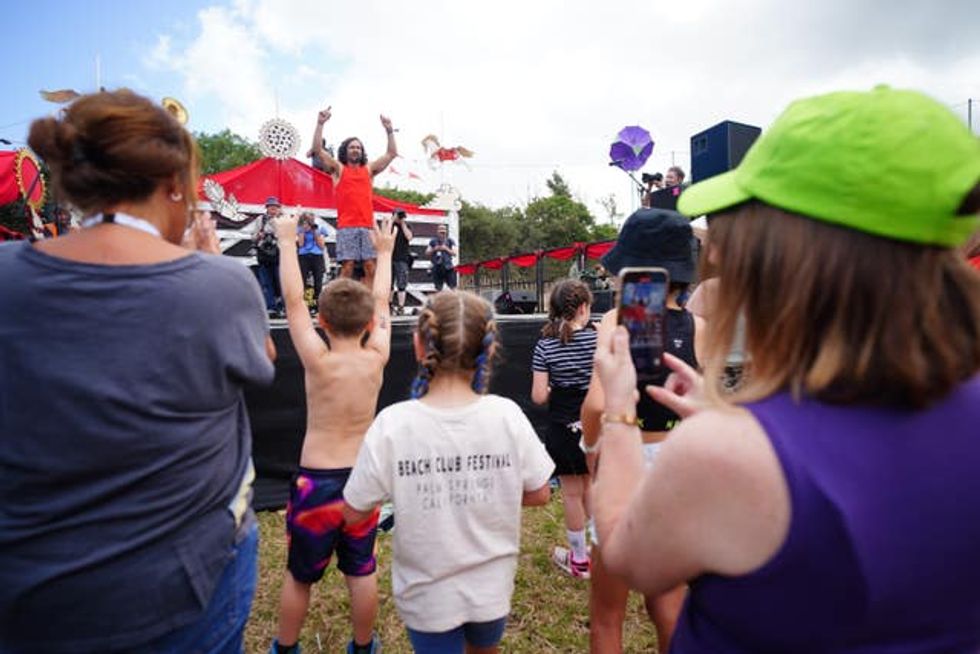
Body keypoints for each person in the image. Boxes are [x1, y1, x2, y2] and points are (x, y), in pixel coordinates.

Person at [591, 86, 980, 653]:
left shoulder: (726, 455)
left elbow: (631, 556)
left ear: (788, 255)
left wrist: (623, 406)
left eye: (738, 229)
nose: (720, 254)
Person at [0, 89, 276, 652]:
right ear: (175, 182)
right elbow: (261, 362)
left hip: (27, 594)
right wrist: (212, 262)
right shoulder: (218, 285)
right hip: (180, 592)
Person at [343, 291, 555, 654]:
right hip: (492, 591)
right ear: (489, 349)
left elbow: (353, 511)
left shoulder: (393, 425)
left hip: (428, 599)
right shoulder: (507, 415)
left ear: (417, 345)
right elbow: (540, 492)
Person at [579, 208, 705, 654]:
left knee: (608, 617)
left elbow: (596, 402)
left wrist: (592, 446)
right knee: (669, 606)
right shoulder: (702, 328)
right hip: (678, 470)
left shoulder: (618, 321)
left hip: (626, 460)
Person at [269, 212, 396, 654]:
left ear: (322, 321)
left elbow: (292, 304)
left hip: (316, 484)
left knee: (299, 575)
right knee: (361, 570)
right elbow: (381, 304)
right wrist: (384, 253)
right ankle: (364, 646)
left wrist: (287, 243)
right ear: (367, 326)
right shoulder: (377, 354)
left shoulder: (317, 360)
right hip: (362, 482)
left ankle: (285, 647)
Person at [531, 279, 597, 579]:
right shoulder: (598, 339)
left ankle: (580, 560)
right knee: (593, 488)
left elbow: (539, 396)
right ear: (583, 308)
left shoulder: (545, 345)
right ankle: (602, 552)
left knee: (572, 494)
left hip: (562, 428)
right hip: (597, 427)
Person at [310, 105, 397, 289]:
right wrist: (320, 124)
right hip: (347, 226)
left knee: (370, 267)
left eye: (358, 147)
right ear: (346, 150)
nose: (355, 150)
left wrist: (389, 131)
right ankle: (341, 305)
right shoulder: (338, 169)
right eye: (352, 147)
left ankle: (371, 305)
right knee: (347, 267)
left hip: (367, 226)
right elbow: (318, 150)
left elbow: (391, 154)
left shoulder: (369, 170)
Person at [254, 195, 284, 316]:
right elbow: (253, 236)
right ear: (267, 208)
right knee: (266, 282)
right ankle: (270, 307)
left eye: (275, 207)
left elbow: (286, 236)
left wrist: (275, 226)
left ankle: (282, 307)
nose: (273, 209)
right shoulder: (260, 220)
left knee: (280, 281)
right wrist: (260, 236)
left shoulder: (283, 219)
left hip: (279, 254)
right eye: (271, 207)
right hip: (264, 254)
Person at [296, 211, 329, 310]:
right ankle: (305, 303)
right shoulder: (300, 229)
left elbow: (321, 246)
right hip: (304, 255)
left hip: (317, 255)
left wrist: (315, 231)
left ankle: (316, 304)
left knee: (318, 280)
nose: (309, 223)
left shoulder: (319, 228)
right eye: (307, 221)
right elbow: (301, 244)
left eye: (311, 220)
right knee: (302, 280)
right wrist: (302, 231)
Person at [391, 209, 415, 315]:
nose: (400, 218)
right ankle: (389, 305)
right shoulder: (390, 226)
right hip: (390, 258)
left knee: (402, 284)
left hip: (402, 259)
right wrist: (392, 220)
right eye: (399, 216)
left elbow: (409, 237)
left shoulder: (406, 226)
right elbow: (385, 233)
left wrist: (403, 224)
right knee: (389, 284)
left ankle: (401, 307)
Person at [426, 223, 457, 291]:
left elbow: (454, 253)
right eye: (440, 229)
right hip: (437, 267)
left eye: (444, 230)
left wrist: (446, 249)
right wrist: (434, 249)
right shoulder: (433, 241)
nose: (442, 231)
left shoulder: (450, 241)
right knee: (438, 288)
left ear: (446, 231)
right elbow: (427, 253)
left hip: (448, 266)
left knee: (453, 287)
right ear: (437, 231)